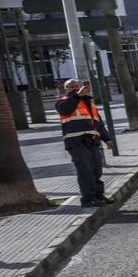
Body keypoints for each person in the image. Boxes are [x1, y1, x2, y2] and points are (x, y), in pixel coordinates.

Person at [54, 78, 113, 207]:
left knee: (96, 169)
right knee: (85, 170)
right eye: (71, 87)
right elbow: (65, 110)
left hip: (92, 140)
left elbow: (98, 123)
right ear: (66, 89)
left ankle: (98, 195)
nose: (75, 88)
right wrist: (77, 96)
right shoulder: (62, 102)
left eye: (77, 86)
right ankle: (88, 198)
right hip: (76, 142)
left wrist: (106, 138)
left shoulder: (88, 103)